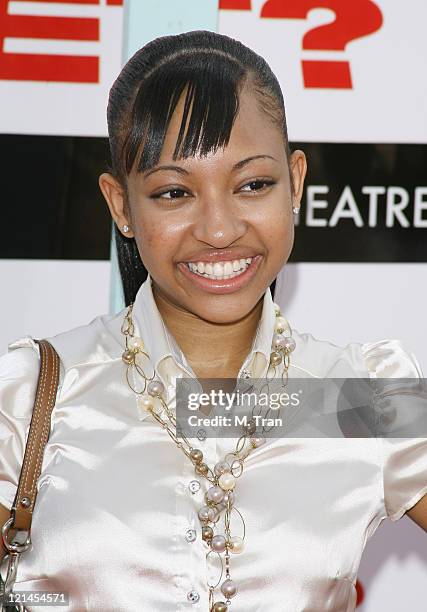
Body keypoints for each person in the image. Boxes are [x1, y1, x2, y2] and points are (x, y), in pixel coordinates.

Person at [1, 30, 426, 612]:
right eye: (175, 192)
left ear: (296, 182)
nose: (220, 229)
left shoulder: (360, 398)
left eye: (253, 184)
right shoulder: (29, 395)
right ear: (121, 205)